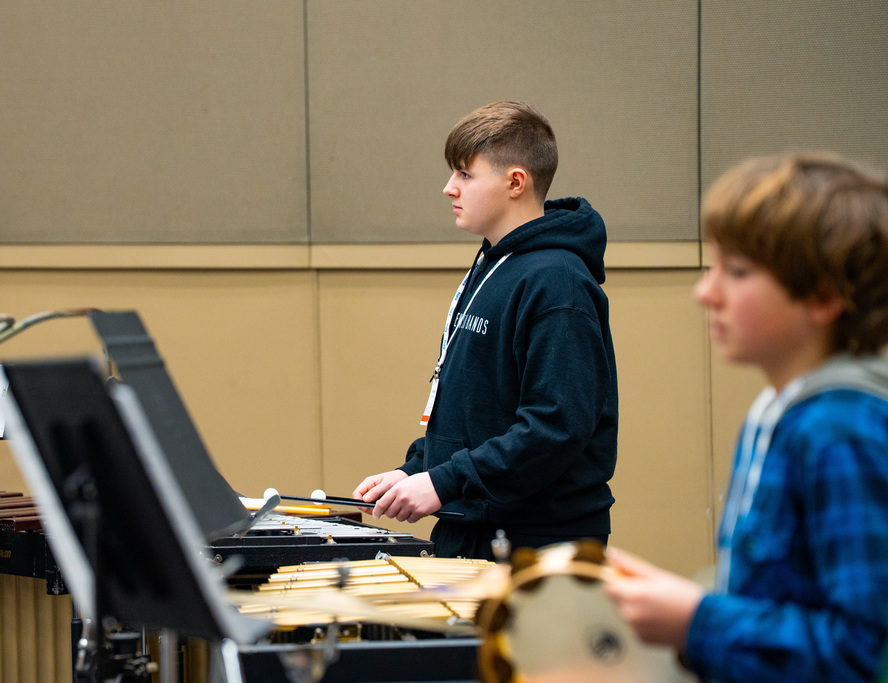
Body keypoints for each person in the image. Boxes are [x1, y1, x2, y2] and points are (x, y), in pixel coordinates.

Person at [605, 152, 888, 682]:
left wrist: (696, 619)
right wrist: (687, 601)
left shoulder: (841, 433)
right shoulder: (779, 410)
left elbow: (860, 653)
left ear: (823, 297)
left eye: (735, 273)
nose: (705, 292)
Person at [351, 101, 619, 561]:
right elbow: (480, 408)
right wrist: (418, 469)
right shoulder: (496, 265)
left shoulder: (557, 282)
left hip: (535, 543)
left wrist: (443, 481)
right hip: (474, 521)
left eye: (465, 175)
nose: (448, 188)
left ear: (516, 182)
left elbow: (555, 427)